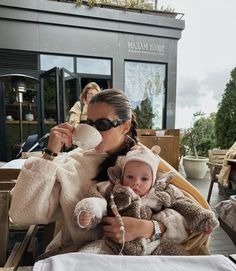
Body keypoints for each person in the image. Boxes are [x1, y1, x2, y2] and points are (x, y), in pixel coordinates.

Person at [9, 88, 214, 258]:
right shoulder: (74, 163)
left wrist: (149, 228)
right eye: (89, 124)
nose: (94, 130)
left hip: (142, 261)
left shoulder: (147, 162)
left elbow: (194, 215)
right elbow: (21, 212)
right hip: (80, 258)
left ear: (124, 126)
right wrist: (50, 153)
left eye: (103, 124)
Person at [74, 145, 219, 255]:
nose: (136, 182)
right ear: (122, 175)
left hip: (154, 245)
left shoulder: (162, 193)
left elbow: (184, 205)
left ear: (154, 180)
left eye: (144, 178)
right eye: (130, 177)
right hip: (113, 245)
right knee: (87, 255)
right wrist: (89, 211)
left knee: (181, 259)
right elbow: (97, 200)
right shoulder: (113, 190)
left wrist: (202, 219)